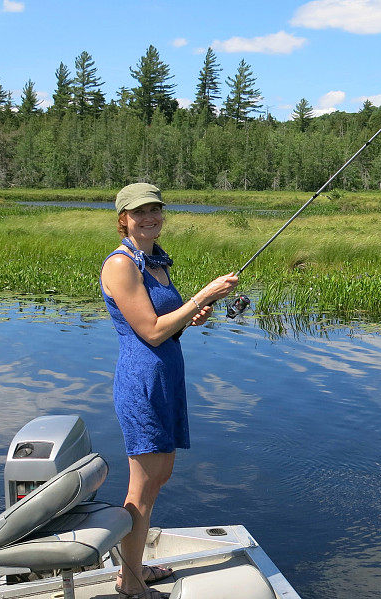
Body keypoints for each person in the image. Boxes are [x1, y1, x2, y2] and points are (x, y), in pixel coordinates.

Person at [100, 183, 238, 599]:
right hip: (143, 382)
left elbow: (167, 320)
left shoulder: (156, 262)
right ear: (123, 218)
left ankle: (135, 567)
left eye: (155, 210)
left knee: (159, 476)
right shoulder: (121, 265)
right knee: (140, 487)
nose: (149, 218)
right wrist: (202, 295)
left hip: (167, 377)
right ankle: (130, 583)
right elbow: (151, 331)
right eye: (139, 212)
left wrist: (192, 314)